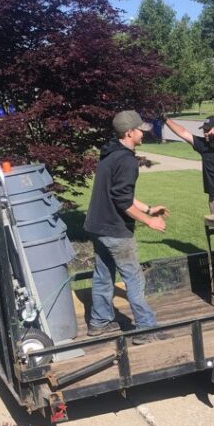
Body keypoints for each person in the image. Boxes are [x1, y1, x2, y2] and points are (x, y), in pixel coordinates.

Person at [84, 110, 172, 344]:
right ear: (128, 133)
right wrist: (150, 221)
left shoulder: (110, 154)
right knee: (134, 279)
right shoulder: (126, 160)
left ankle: (99, 322)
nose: (143, 132)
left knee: (103, 276)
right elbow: (122, 201)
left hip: (97, 227)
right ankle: (145, 329)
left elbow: (119, 193)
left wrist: (148, 208)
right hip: (115, 230)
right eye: (140, 129)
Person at [163, 96, 214, 214]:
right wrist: (165, 119)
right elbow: (183, 133)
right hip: (213, 200)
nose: (204, 132)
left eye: (207, 130)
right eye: (204, 129)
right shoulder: (203, 146)